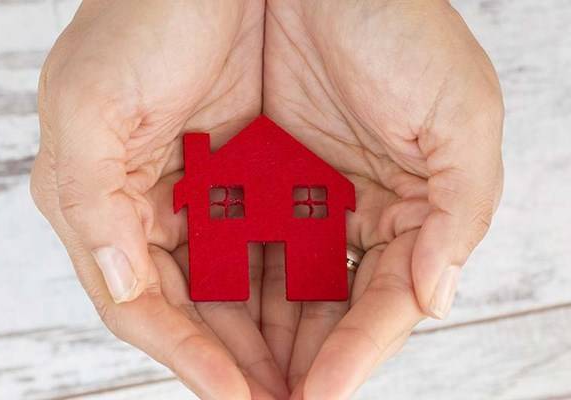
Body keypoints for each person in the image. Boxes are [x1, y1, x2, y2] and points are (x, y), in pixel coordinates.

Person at [30, 1, 504, 399]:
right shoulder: (225, 186)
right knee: (231, 254)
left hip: (285, 204)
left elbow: (322, 192)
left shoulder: (298, 188)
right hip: (251, 201)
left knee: (290, 254)